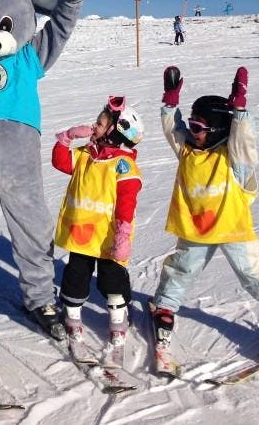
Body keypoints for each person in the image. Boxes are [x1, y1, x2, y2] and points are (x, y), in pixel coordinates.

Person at [150, 66, 259, 361]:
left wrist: (240, 112)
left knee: (254, 276)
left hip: (233, 228)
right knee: (182, 268)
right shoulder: (188, 150)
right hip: (196, 228)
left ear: (220, 131)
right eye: (191, 124)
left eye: (198, 127)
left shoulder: (233, 158)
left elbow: (243, 142)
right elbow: (174, 130)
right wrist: (170, 103)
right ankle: (164, 306)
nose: (191, 131)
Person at [52, 96, 144, 349]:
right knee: (75, 276)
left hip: (108, 239)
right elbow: (60, 161)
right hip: (81, 236)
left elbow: (126, 205)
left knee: (111, 278)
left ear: (115, 133)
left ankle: (117, 318)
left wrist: (123, 237)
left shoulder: (123, 166)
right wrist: (68, 136)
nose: (94, 127)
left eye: (100, 124)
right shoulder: (85, 155)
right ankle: (72, 315)